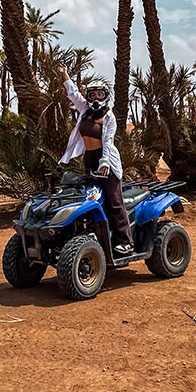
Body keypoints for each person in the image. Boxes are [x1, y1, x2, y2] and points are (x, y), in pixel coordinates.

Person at [58, 65, 134, 256]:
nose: (96, 98)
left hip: (106, 159)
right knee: (90, 198)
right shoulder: (84, 110)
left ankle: (126, 241)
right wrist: (65, 74)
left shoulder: (109, 117)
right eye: (93, 95)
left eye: (100, 94)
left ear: (105, 95)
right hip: (89, 159)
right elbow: (73, 95)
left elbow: (108, 141)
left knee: (114, 201)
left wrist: (105, 163)